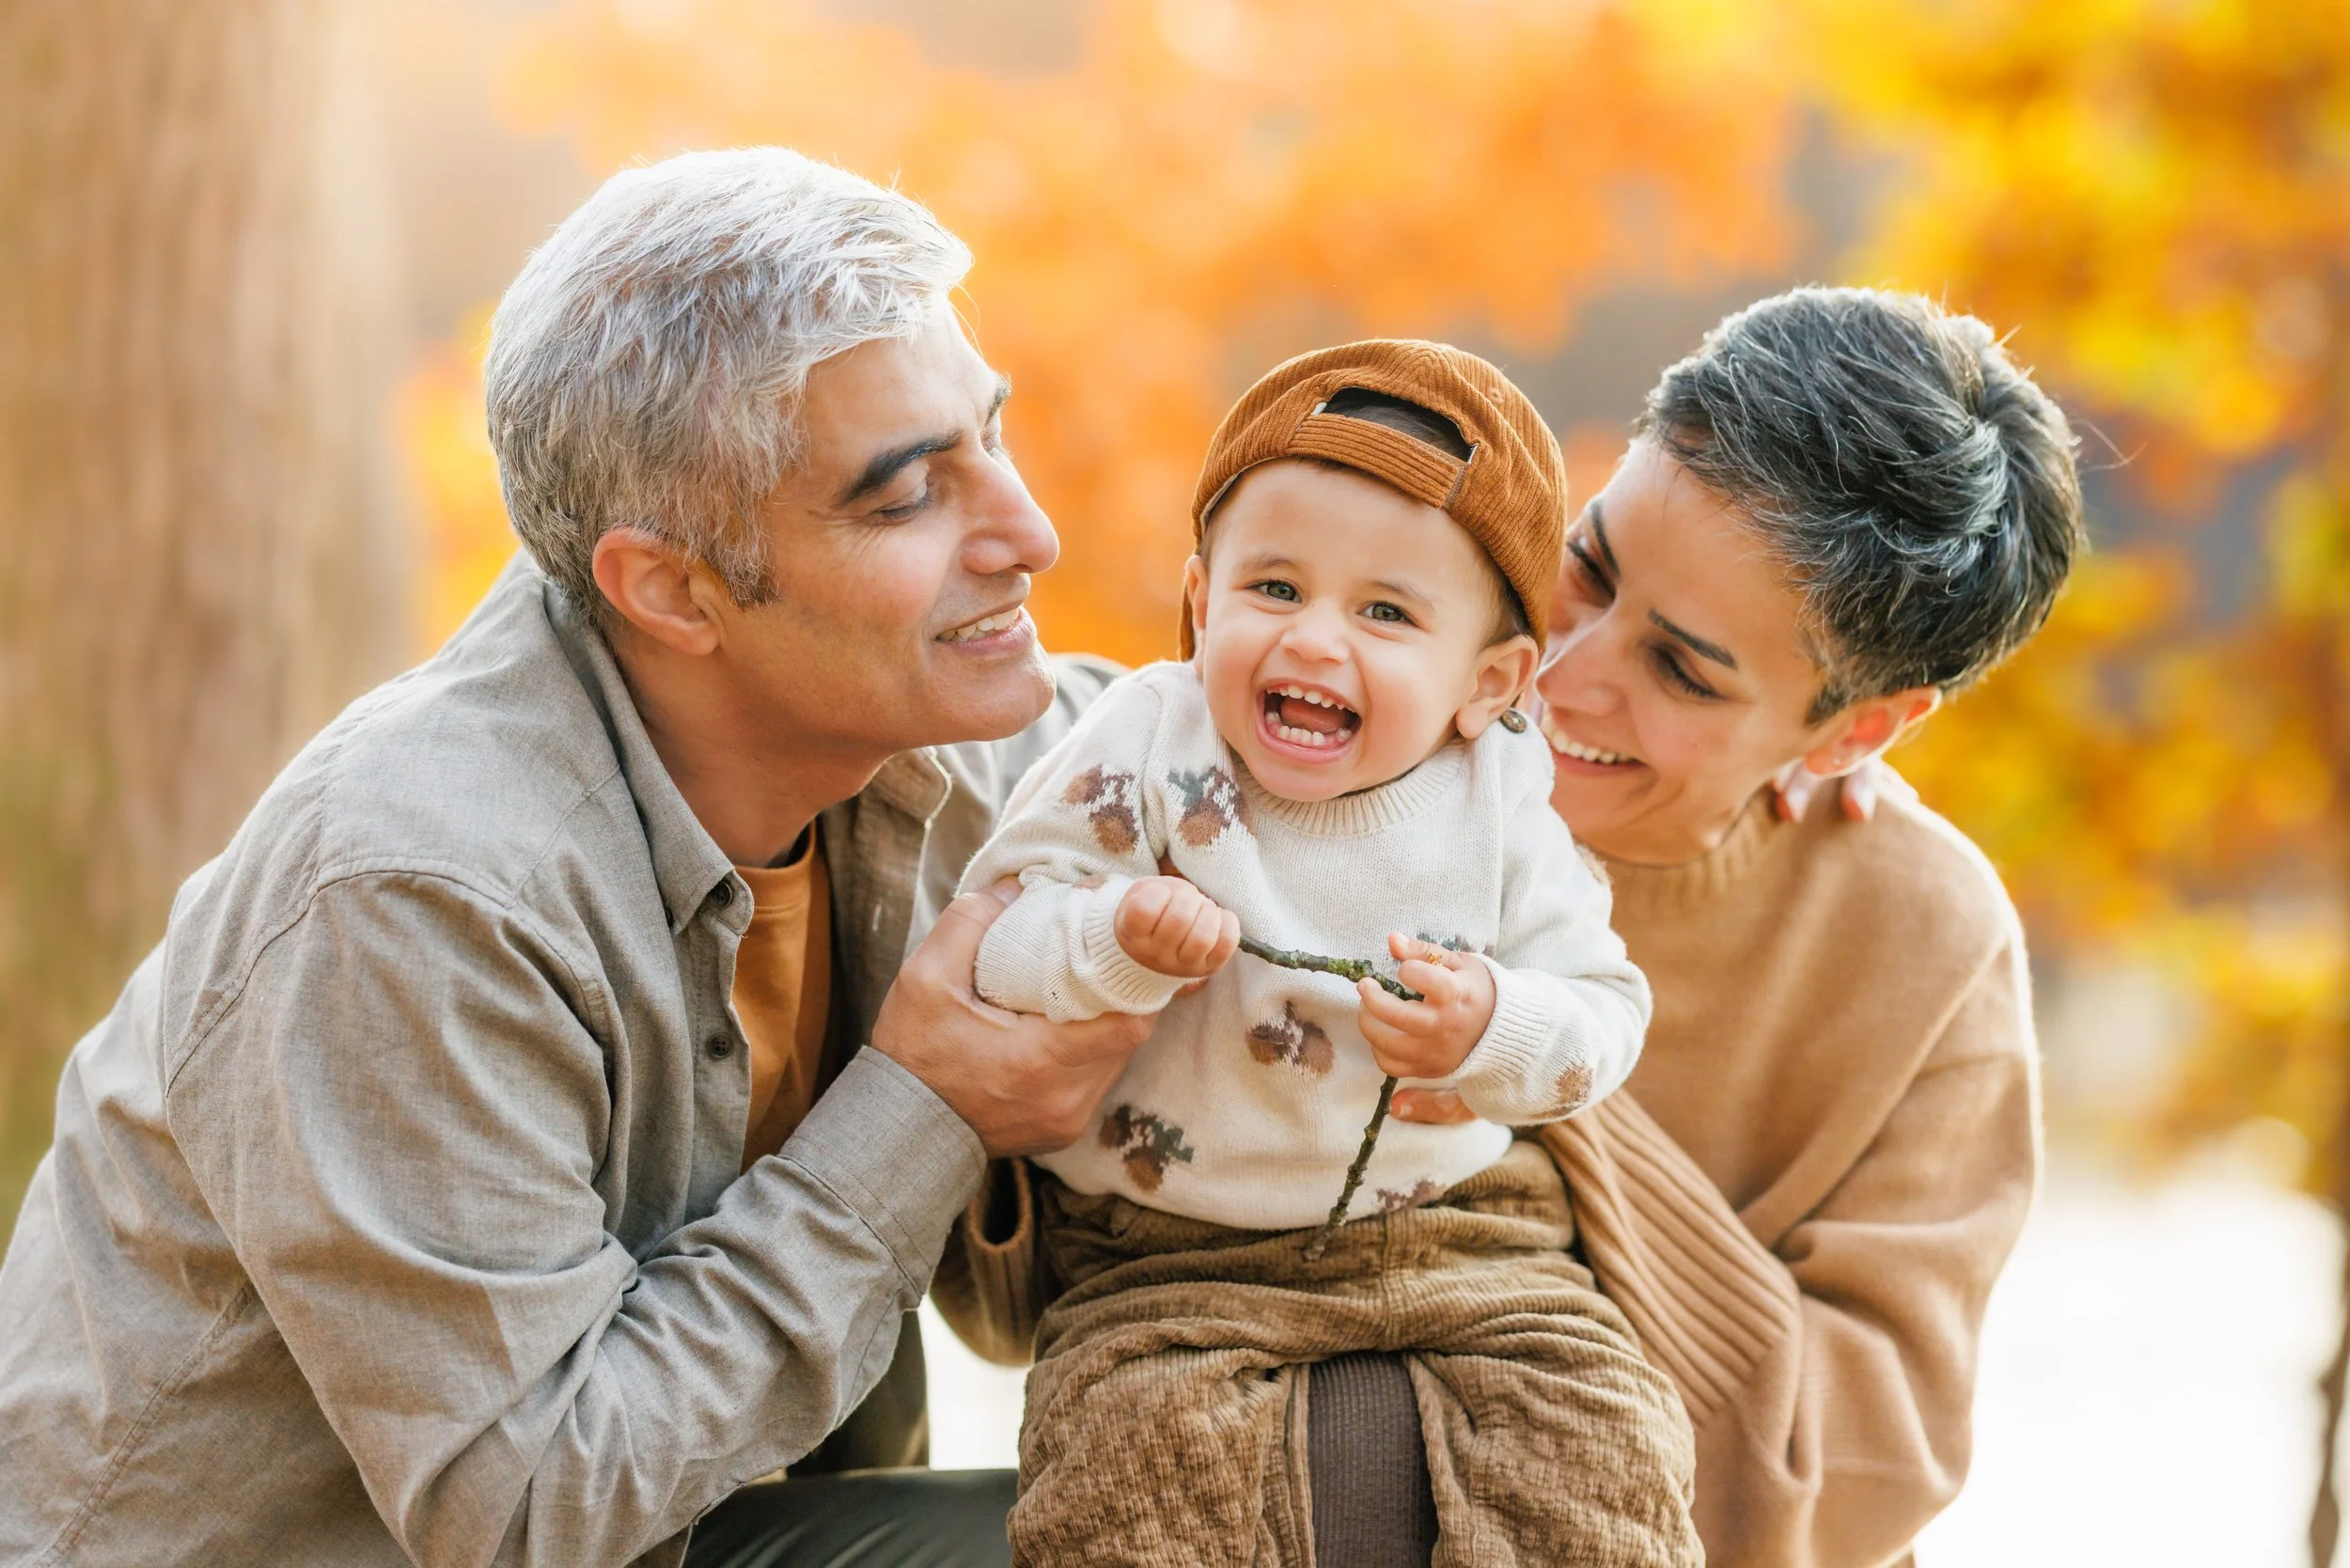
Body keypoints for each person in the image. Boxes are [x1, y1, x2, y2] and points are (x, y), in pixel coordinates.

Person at [0, 148, 1152, 1566]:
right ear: (669, 588)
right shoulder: (415, 894)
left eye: (994, 434)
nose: (1031, 533)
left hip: (701, 1527)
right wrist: (926, 1108)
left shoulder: (947, 729)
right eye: (908, 494)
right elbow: (534, 1511)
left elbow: (1260, 767)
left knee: (1289, 1476)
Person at [937, 286, 2083, 1568]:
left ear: (1856, 730)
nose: (1562, 669)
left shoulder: (1922, 937)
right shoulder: (1260, 750)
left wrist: (1537, 1077)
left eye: (1682, 670)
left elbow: (1857, 1478)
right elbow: (1008, 1299)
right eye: (1588, 569)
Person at [956, 343, 1697, 1563]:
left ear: (1490, 680)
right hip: (1169, 1256)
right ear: (1203, 604)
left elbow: (1605, 1014)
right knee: (1130, 1476)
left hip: (1469, 1239)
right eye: (1274, 587)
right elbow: (996, 945)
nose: (1312, 639)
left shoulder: (1500, 794)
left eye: (1385, 613)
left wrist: (1494, 1028)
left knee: (1602, 1449)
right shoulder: (1149, 742)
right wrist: (1112, 939)